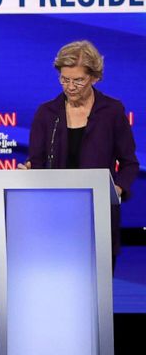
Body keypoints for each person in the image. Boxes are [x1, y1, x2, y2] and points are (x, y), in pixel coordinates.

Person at [24, 40, 138, 257]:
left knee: (98, 286)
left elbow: (129, 163)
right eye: (64, 79)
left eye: (78, 80)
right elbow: (36, 162)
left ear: (94, 78)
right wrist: (28, 173)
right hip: (55, 213)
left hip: (99, 214)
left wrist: (117, 190)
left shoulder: (111, 111)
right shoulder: (46, 113)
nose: (70, 87)